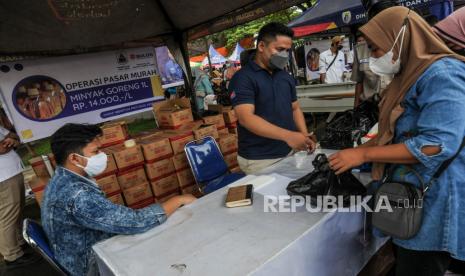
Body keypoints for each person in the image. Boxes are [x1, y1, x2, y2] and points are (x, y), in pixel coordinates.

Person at [328, 7, 465, 275]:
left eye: (377, 49)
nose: (375, 57)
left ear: (400, 39)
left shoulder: (442, 75)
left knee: (418, 265)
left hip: (433, 199)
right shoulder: (411, 74)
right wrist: (355, 151)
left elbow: (437, 145)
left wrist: (365, 156)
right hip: (412, 193)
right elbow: (392, 132)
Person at [41, 124, 196, 275]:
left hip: (81, 248)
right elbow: (136, 223)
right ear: (74, 158)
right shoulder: (77, 195)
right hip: (89, 266)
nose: (102, 155)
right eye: (96, 151)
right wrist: (178, 200)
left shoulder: (62, 177)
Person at [229, 22, 315, 174]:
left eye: (288, 50)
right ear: (261, 46)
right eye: (280, 49)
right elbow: (246, 118)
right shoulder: (243, 78)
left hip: (288, 151)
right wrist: (288, 136)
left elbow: (294, 108)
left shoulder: (285, 77)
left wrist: (304, 134)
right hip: (260, 159)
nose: (285, 55)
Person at [0, 125, 35, 267]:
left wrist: (12, 140)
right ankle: (11, 255)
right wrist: (10, 142)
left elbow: (14, 135)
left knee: (17, 210)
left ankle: (18, 242)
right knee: (7, 215)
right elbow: (2, 148)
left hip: (12, 171)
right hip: (3, 177)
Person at [351, 33, 392, 106]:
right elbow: (359, 81)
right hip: (369, 105)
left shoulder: (398, 46)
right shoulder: (360, 49)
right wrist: (356, 107)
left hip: (392, 104)